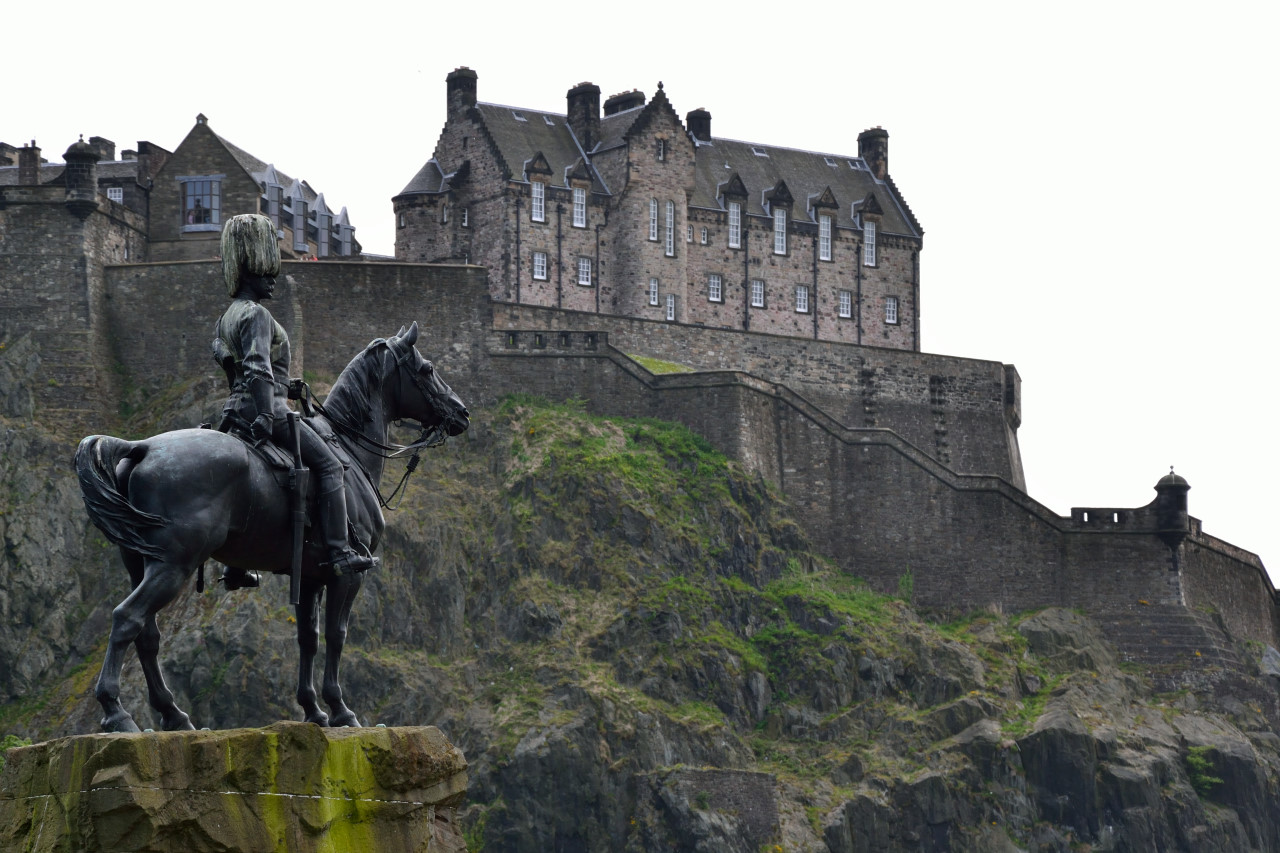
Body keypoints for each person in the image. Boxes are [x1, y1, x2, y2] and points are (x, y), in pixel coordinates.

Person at [212, 214, 374, 588]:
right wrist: (269, 414)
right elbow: (258, 369)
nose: (273, 278)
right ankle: (339, 552)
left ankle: (234, 565)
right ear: (250, 269)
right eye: (267, 272)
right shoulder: (257, 315)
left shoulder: (226, 318)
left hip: (233, 412)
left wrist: (289, 383)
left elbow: (235, 370)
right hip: (266, 409)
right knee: (333, 467)